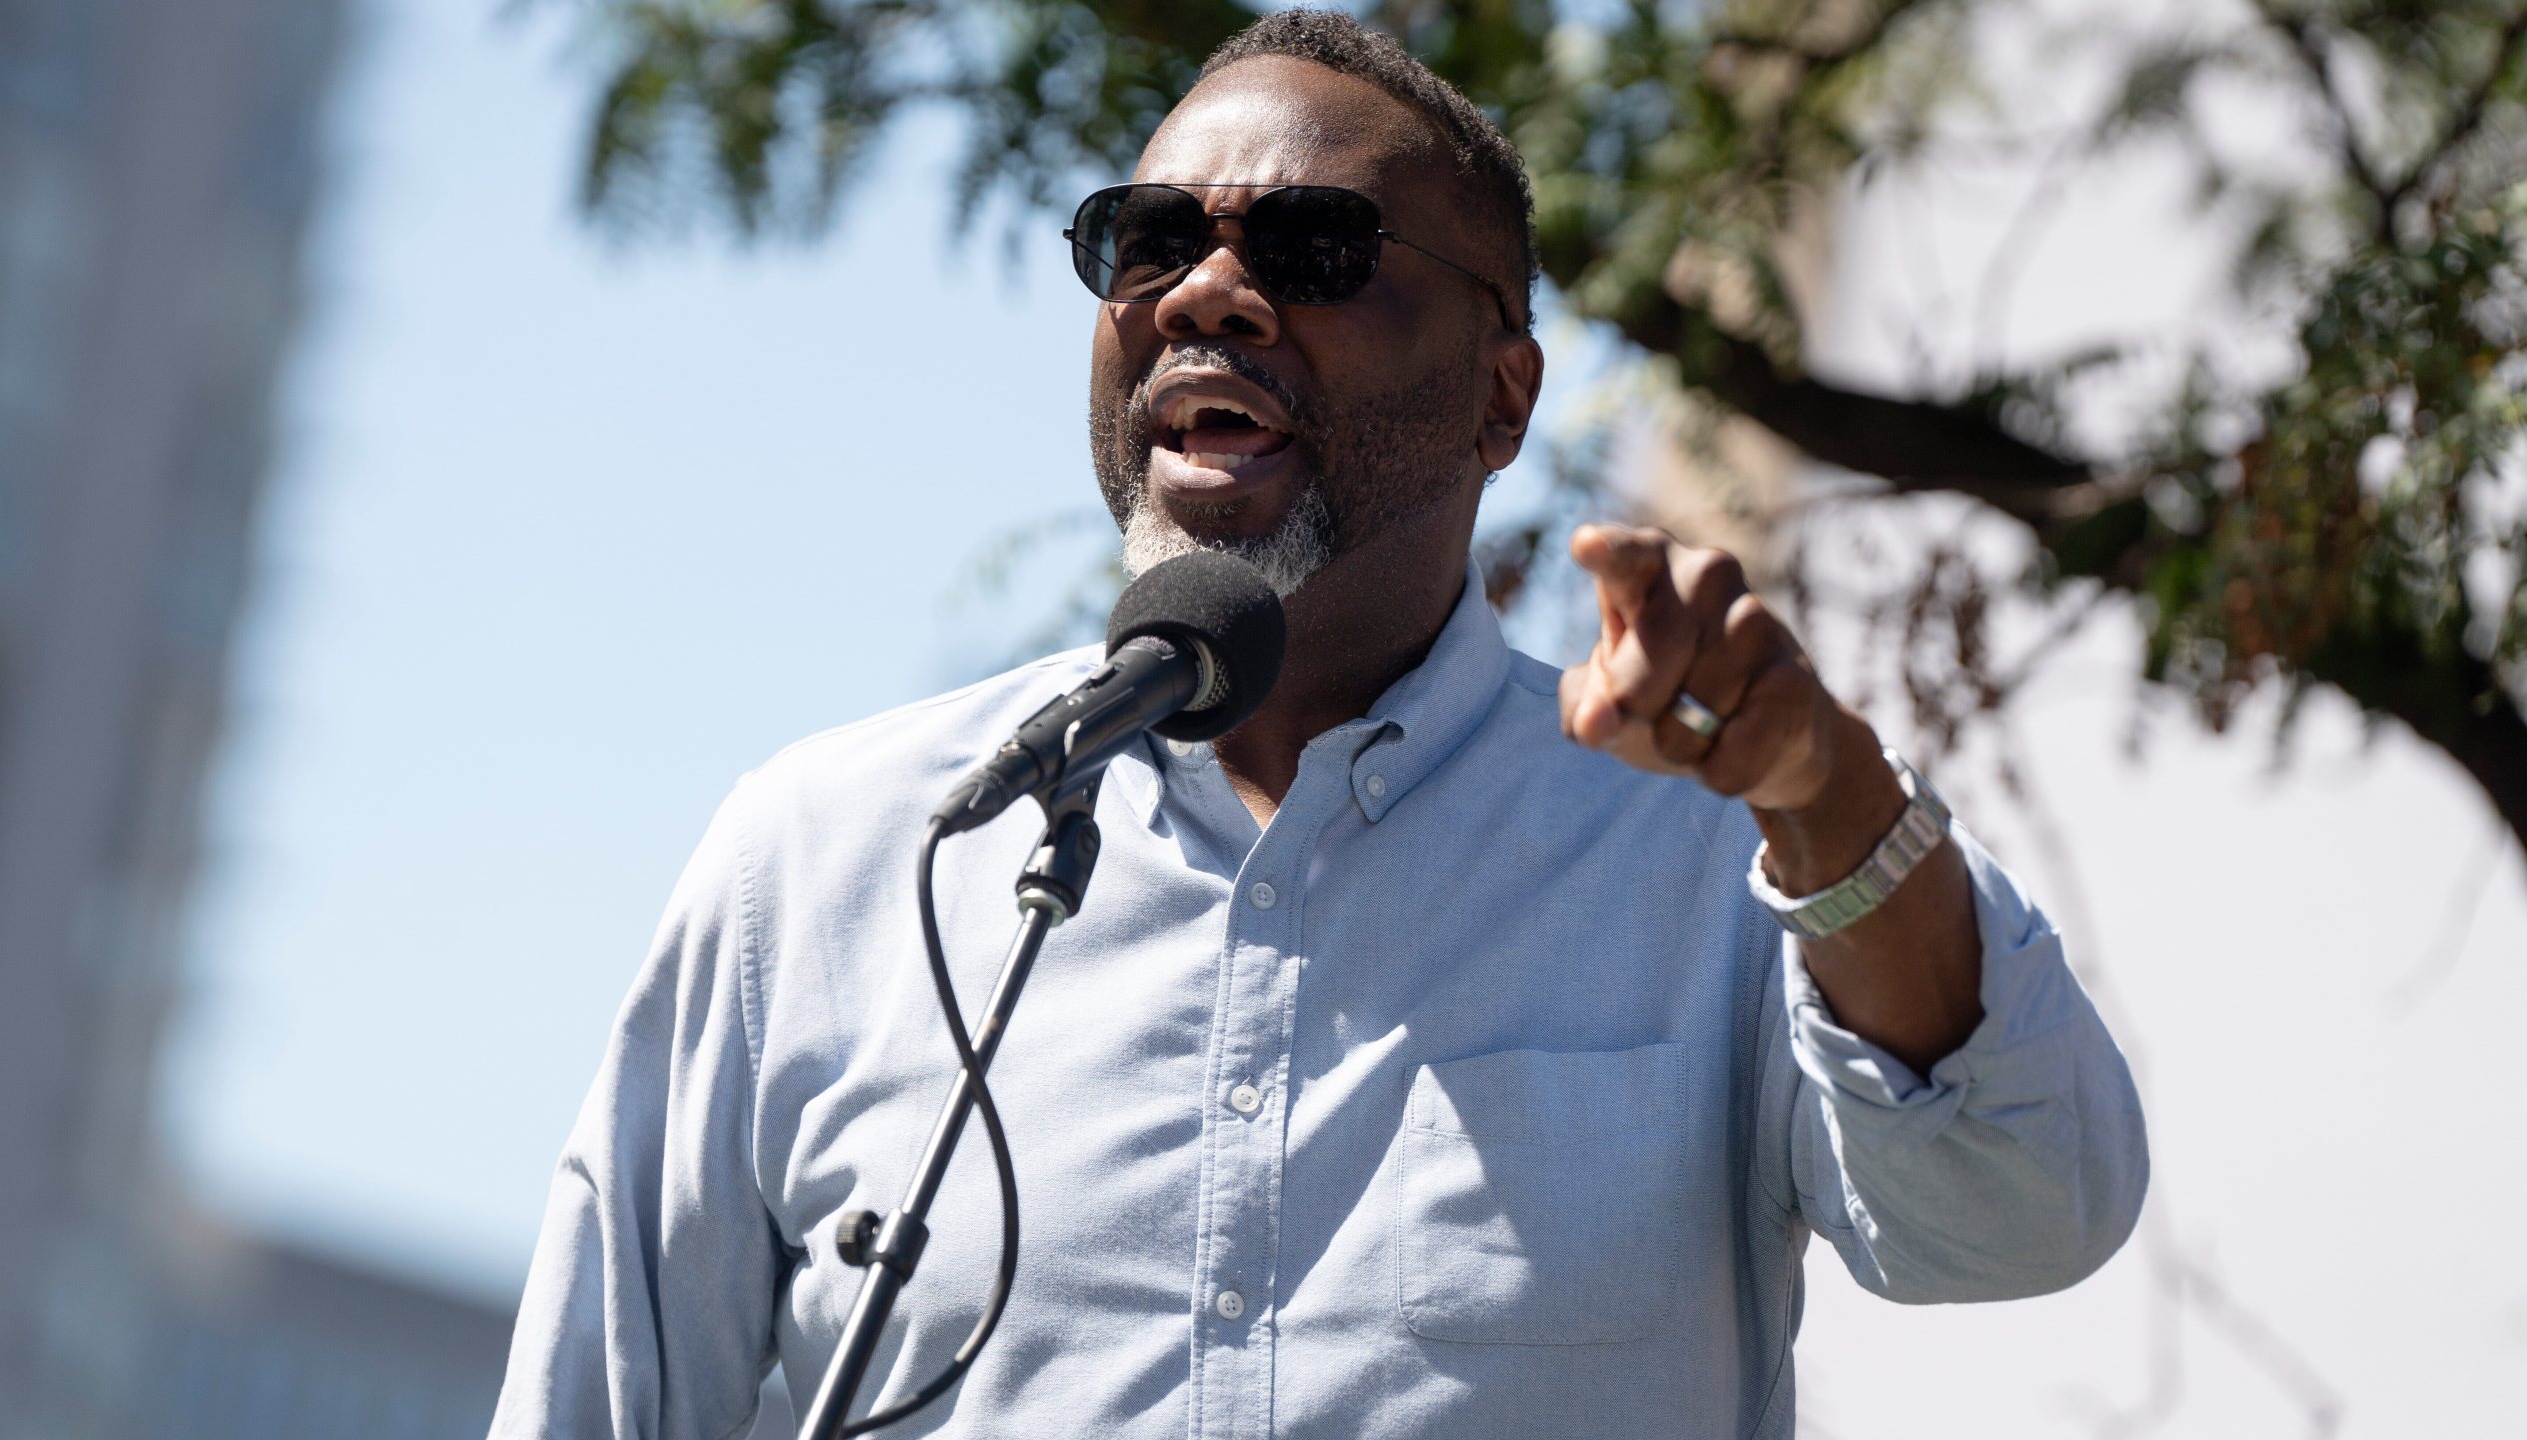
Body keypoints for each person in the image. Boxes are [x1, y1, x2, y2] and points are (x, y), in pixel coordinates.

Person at [488, 11, 2146, 1438]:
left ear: (1506, 394)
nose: (1211, 291)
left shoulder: (1709, 849)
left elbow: (2020, 1212)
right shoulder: (846, 855)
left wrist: (1831, 793)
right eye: (1151, 241)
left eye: (1311, 249)